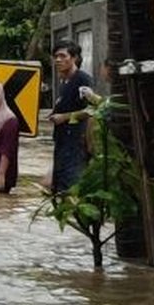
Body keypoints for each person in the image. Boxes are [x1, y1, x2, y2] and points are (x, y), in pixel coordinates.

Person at [48, 40, 94, 193]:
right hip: (62, 141)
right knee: (59, 188)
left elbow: (92, 110)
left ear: (74, 58)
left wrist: (64, 117)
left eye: (62, 56)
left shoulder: (82, 80)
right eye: (56, 56)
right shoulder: (64, 82)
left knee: (71, 187)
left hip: (76, 143)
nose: (58, 60)